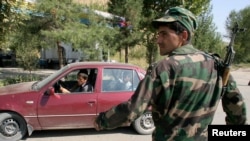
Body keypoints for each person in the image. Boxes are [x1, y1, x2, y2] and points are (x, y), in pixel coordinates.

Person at [94, 6, 247, 141]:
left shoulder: (164, 68)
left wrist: (102, 121)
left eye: (164, 34)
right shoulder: (216, 64)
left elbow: (133, 109)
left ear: (184, 36)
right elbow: (237, 109)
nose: (158, 40)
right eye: (158, 34)